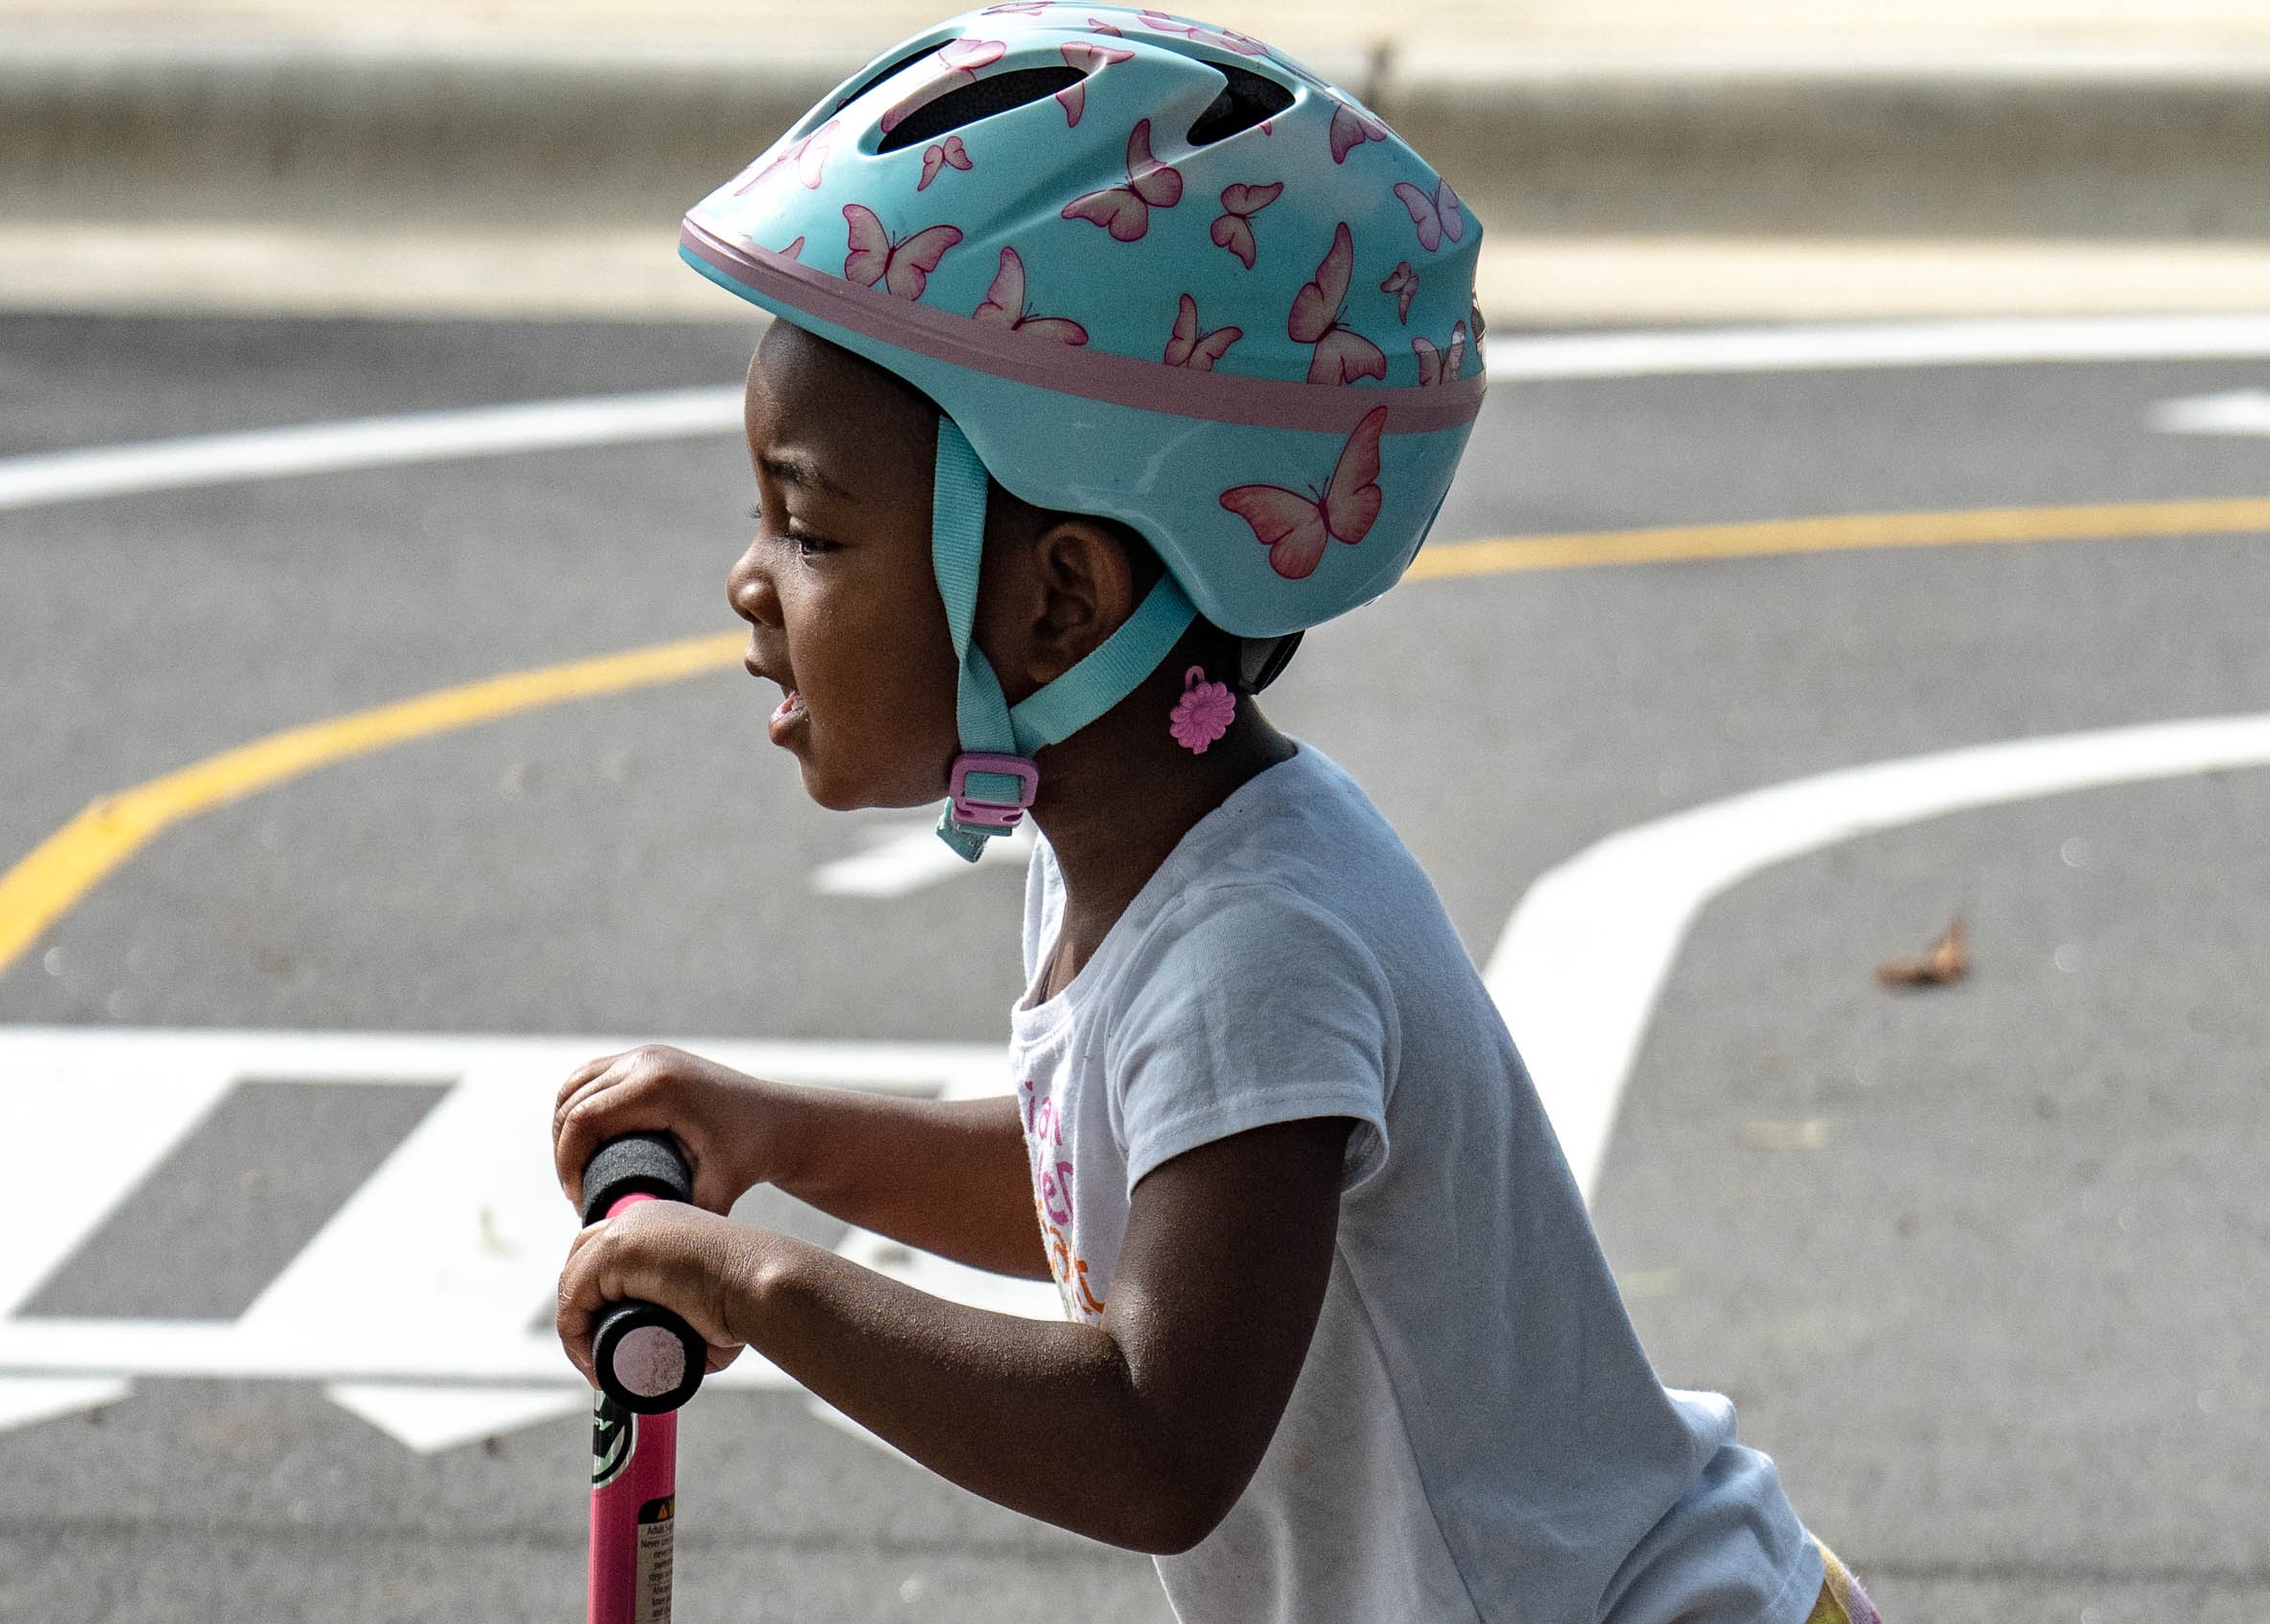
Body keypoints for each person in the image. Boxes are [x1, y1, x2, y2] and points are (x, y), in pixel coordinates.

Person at [550, 8, 1879, 1620]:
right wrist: (780, 1137)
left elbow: (1155, 1444)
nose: (750, 581)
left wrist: (760, 1286)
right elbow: (1109, 1191)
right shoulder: (1141, 848)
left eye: (812, 530)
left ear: (1059, 602)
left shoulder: (1256, 945)